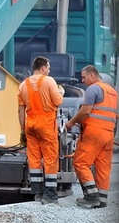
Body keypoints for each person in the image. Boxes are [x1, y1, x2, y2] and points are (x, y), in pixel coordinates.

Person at [66, 65, 117, 209]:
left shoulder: (93, 88)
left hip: (94, 132)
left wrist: (71, 122)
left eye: (84, 77)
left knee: (80, 163)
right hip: (108, 134)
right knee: (103, 168)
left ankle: (91, 196)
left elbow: (86, 111)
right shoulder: (112, 92)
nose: (82, 81)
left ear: (92, 75)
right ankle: (102, 200)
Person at [17, 56, 64, 204]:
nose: (49, 70)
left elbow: (20, 110)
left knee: (34, 158)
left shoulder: (23, 85)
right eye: (48, 68)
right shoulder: (49, 81)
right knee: (50, 158)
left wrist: (23, 130)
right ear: (43, 67)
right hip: (46, 124)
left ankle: (37, 194)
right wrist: (60, 92)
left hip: (30, 125)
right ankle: (50, 195)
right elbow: (57, 101)